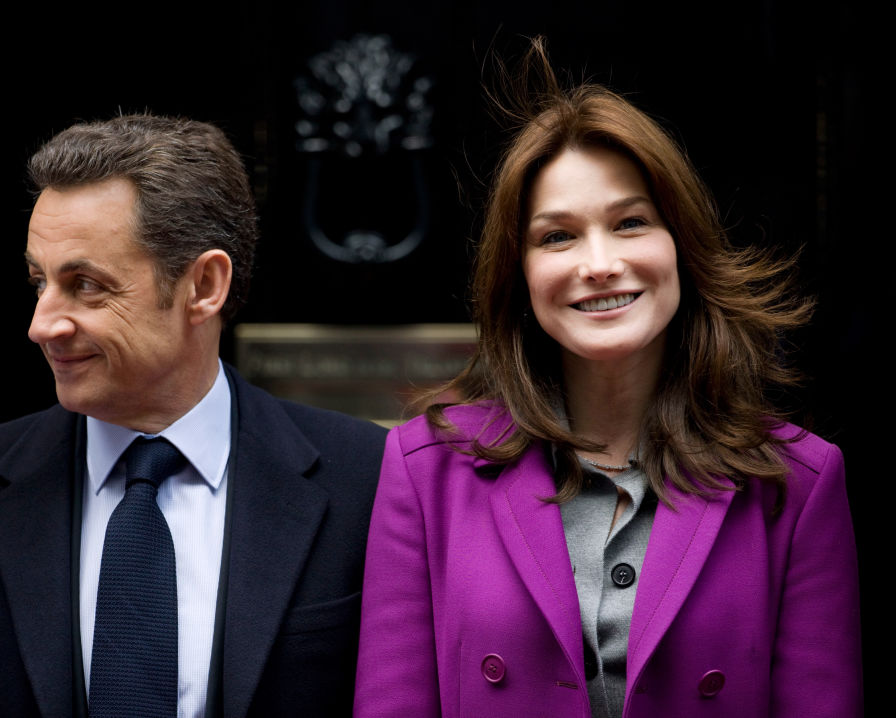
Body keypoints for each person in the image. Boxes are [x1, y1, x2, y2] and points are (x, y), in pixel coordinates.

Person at [354, 39, 862, 718]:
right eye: (557, 237)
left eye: (630, 223)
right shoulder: (426, 472)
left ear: (680, 245)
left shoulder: (797, 483)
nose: (599, 263)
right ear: (520, 275)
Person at [0, 114, 386, 718]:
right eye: (40, 282)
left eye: (86, 285)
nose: (42, 325)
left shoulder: (369, 484)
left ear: (204, 285)